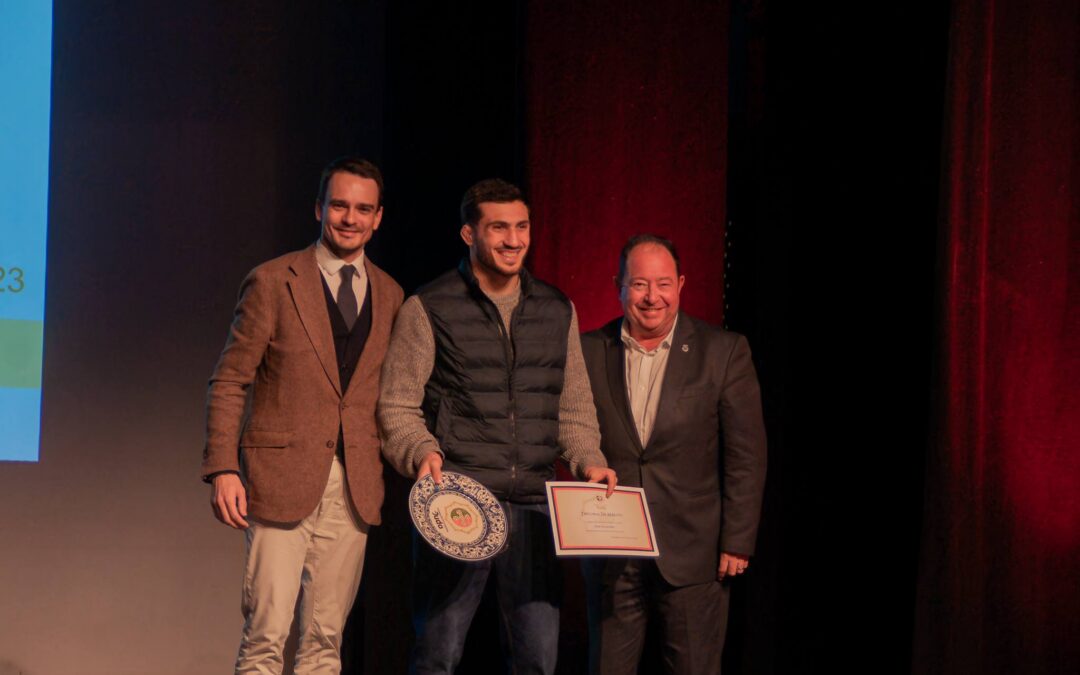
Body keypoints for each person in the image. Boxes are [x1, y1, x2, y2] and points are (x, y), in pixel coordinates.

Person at [378, 178, 616, 675]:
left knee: (538, 659)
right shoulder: (429, 306)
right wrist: (421, 451)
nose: (513, 240)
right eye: (499, 228)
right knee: (437, 654)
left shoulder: (556, 308)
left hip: (533, 503)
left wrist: (589, 460)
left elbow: (573, 407)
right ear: (469, 234)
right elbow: (397, 406)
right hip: (457, 499)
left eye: (522, 227)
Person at [202, 156, 404, 674]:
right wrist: (223, 467)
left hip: (355, 485)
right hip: (279, 480)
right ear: (320, 208)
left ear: (379, 217)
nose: (350, 218)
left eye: (363, 209)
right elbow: (230, 380)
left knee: (325, 642)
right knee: (266, 636)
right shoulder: (273, 281)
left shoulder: (391, 294)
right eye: (340, 205)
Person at [580, 234, 767, 675]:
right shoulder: (587, 350)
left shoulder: (723, 352)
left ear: (681, 284)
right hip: (613, 553)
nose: (652, 297)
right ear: (618, 286)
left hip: (693, 553)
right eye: (639, 284)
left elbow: (746, 454)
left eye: (663, 284)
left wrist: (737, 540)